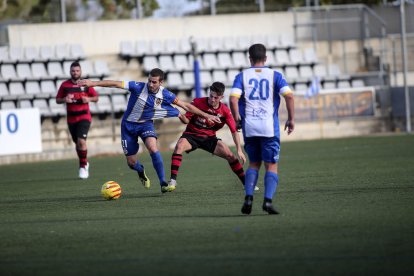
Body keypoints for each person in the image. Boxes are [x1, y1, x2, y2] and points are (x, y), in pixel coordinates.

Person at [79, 68, 221, 192]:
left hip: (146, 124)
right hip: (128, 126)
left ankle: (163, 182)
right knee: (131, 163)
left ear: (161, 83)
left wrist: (206, 114)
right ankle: (141, 171)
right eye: (149, 81)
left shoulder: (166, 94)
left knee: (153, 148)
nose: (151, 84)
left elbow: (186, 105)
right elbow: (115, 84)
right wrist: (94, 83)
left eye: (154, 82)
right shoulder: (137, 87)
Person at [229, 43, 295, 215]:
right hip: (269, 128)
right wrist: (291, 118)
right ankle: (267, 201)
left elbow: (233, 99)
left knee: (254, 163)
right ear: (266, 58)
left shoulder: (242, 76)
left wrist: (236, 118)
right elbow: (289, 96)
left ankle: (249, 197)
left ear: (249, 58)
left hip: (249, 127)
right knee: (271, 165)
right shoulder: (275, 75)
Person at [165, 81, 258, 192]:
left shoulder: (225, 111)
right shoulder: (198, 102)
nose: (212, 99)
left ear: (221, 97)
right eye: (211, 96)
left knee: (230, 156)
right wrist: (178, 114)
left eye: (216, 97)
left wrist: (239, 150)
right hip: (191, 135)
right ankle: (172, 181)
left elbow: (234, 131)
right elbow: (186, 120)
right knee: (179, 146)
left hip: (209, 138)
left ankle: (246, 183)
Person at [56, 61, 99, 179]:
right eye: (73, 71)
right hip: (71, 118)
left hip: (84, 117)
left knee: (81, 142)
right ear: (70, 72)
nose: (75, 73)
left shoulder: (85, 84)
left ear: (81, 72)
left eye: (77, 71)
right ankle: (84, 162)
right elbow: (57, 100)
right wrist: (65, 99)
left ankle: (83, 166)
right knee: (78, 144)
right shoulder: (65, 85)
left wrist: (88, 99)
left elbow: (96, 98)